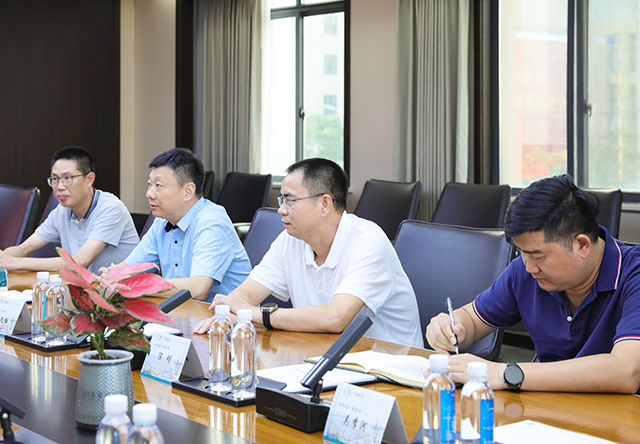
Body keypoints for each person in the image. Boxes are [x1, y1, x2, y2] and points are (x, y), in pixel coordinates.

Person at [426, 175, 640, 394]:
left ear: (582, 245)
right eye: (522, 252)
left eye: (538, 256)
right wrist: (452, 327)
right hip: (543, 406)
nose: (529, 267)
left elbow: (626, 371)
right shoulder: (525, 270)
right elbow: (472, 319)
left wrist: (507, 374)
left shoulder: (634, 274)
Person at [193, 158, 423, 348]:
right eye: (281, 200)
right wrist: (231, 314)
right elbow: (245, 294)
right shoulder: (290, 239)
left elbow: (336, 317)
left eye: (290, 200)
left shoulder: (368, 241)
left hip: (387, 368)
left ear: (324, 203)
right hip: (322, 353)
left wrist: (258, 315)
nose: (281, 210)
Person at [120, 148, 251, 301]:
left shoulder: (211, 222)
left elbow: (198, 288)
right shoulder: (162, 221)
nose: (149, 193)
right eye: (149, 184)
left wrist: (140, 286)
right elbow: (129, 269)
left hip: (224, 314)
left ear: (188, 191)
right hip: (180, 310)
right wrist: (108, 276)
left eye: (158, 186)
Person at [0, 146, 139, 274]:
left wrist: (16, 263)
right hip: (84, 287)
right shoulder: (62, 211)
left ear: (89, 179)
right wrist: (4, 258)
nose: (60, 186)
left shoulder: (111, 208)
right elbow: (24, 249)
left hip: (122, 289)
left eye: (67, 178)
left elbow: (81, 262)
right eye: (55, 179)